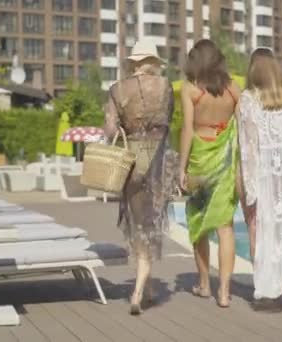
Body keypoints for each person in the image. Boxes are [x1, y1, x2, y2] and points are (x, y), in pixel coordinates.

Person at [103, 39, 178, 315]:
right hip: (157, 160)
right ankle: (138, 291)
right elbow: (167, 122)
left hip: (131, 161)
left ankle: (145, 287)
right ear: (152, 63)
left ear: (134, 63)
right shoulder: (165, 87)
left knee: (136, 224)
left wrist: (123, 123)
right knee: (151, 225)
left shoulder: (116, 90)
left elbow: (110, 131)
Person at [238, 48, 282, 309]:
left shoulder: (248, 99)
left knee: (265, 231)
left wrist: (250, 187)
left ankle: (269, 287)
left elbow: (248, 148)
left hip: (265, 175)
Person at [179, 39, 242, 308]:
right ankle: (225, 291)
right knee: (225, 227)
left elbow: (187, 130)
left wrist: (181, 168)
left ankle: (204, 284)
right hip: (225, 162)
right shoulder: (234, 90)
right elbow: (243, 129)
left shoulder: (191, 89)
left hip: (199, 161)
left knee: (198, 223)